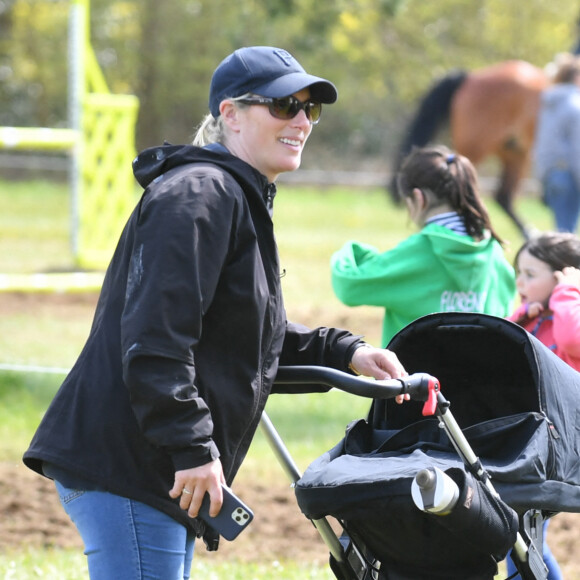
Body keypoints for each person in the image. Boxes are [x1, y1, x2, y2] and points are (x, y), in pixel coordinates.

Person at [22, 46, 407, 580]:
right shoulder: (199, 195)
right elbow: (156, 341)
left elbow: (243, 335)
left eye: (309, 109)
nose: (300, 120)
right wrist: (192, 448)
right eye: (283, 106)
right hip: (133, 463)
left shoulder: (229, 194)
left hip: (155, 465)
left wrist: (347, 352)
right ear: (229, 114)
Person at [331, 144, 516, 347]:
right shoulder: (493, 254)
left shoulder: (418, 251)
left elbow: (349, 285)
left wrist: (352, 251)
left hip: (413, 377)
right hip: (479, 378)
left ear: (419, 198)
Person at [505, 231, 580, 580]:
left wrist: (568, 291)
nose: (520, 281)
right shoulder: (534, 316)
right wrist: (519, 319)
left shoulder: (570, 312)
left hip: (561, 444)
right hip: (531, 441)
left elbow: (571, 340)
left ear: (563, 274)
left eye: (530, 274)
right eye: (519, 272)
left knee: (518, 532)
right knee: (520, 536)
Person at [533, 52, 580, 233]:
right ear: (576, 77)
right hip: (570, 175)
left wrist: (542, 176)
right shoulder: (576, 106)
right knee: (568, 235)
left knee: (561, 230)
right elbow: (578, 149)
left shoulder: (549, 104)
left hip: (551, 174)